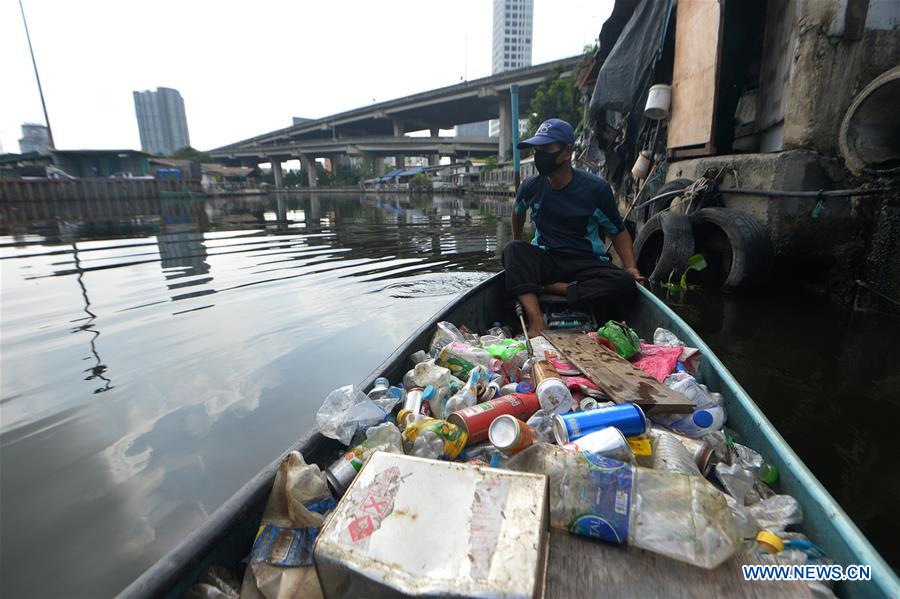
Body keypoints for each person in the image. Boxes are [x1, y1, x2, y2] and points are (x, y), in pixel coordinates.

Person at [503, 118, 643, 337]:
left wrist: (631, 266)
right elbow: (517, 212)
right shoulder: (530, 187)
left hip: (585, 263)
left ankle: (551, 287)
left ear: (567, 152)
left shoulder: (596, 189)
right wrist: (520, 242)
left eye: (546, 148)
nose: (540, 155)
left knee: (625, 282)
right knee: (513, 250)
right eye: (537, 149)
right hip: (547, 258)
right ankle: (536, 321)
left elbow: (618, 230)